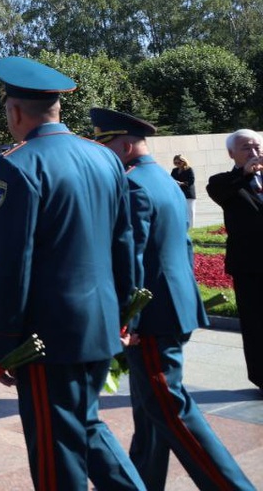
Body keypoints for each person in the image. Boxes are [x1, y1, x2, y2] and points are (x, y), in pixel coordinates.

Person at [0, 57, 142, 490]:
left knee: (57, 451)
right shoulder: (105, 159)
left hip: (45, 339)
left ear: (15, 112)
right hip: (99, 324)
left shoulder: (15, 165)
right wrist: (126, 315)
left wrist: (2, 345)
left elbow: (10, 266)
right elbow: (124, 244)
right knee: (85, 428)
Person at [91, 108, 252, 490]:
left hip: (152, 317)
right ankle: (141, 482)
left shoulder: (132, 185)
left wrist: (126, 319)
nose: (104, 155)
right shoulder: (163, 180)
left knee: (172, 409)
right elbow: (182, 245)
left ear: (126, 145)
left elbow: (131, 256)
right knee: (151, 414)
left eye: (106, 145)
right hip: (172, 307)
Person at [206, 129, 263, 393]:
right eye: (246, 148)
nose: (254, 153)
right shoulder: (223, 182)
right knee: (255, 325)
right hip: (249, 266)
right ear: (231, 153)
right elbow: (222, 193)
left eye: (257, 147)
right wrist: (245, 174)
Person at [171, 154, 197, 229]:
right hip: (178, 194)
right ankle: (183, 227)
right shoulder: (174, 170)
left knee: (190, 212)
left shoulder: (189, 169)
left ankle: (191, 228)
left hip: (188, 193)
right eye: (175, 163)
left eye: (179, 163)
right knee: (181, 212)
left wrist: (181, 183)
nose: (177, 165)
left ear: (183, 162)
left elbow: (191, 181)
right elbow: (171, 180)